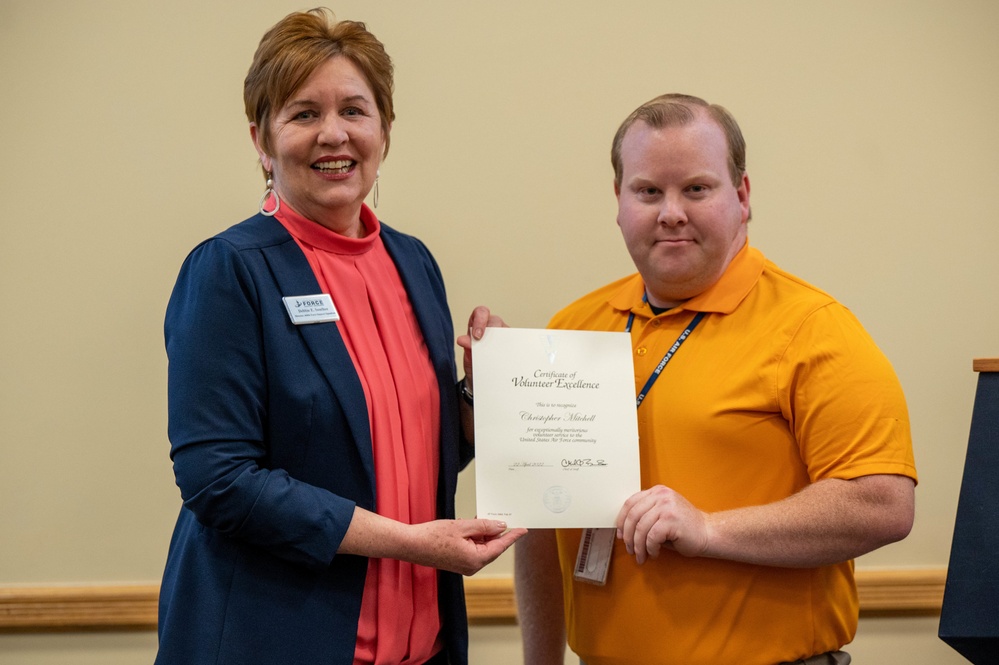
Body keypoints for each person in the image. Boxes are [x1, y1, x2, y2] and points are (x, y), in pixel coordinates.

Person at [155, 9, 523, 665]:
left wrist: (485, 392)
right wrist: (409, 542)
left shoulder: (413, 263)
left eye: (354, 110)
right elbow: (219, 481)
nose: (333, 134)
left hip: (422, 645)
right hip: (272, 641)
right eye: (302, 114)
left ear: (385, 130)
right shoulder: (231, 270)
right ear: (261, 139)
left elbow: (409, 452)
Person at [514, 93, 918, 665]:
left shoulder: (814, 329)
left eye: (696, 189)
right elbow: (539, 527)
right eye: (648, 191)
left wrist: (709, 529)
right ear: (619, 200)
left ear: (743, 196)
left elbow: (883, 504)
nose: (671, 212)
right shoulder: (571, 331)